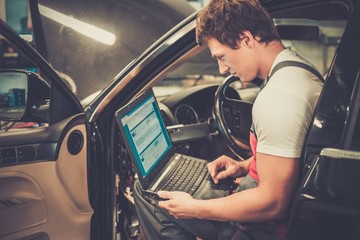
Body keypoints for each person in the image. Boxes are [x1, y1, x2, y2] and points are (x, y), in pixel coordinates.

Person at [133, 0, 324, 239]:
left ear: (246, 39)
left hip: (261, 228)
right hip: (269, 201)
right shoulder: (298, 70)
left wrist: (195, 209)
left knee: (152, 197)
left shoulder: (278, 97)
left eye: (222, 56)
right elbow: (294, 156)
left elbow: (273, 202)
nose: (222, 69)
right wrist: (245, 166)